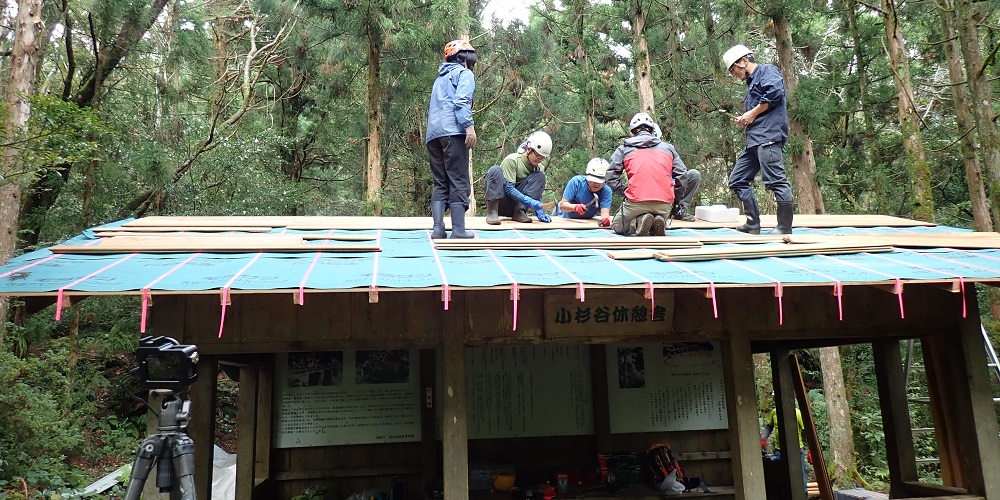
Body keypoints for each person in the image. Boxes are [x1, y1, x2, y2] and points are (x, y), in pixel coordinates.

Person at [722, 44, 794, 235]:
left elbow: (775, 93)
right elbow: (758, 112)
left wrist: (752, 113)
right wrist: (745, 119)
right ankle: (753, 223)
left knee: (776, 181)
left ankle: (784, 227)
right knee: (737, 179)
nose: (734, 74)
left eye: (734, 69)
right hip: (754, 141)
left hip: (769, 137)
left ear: (744, 61)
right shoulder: (750, 86)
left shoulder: (767, 71)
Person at [606, 112, 701, 236]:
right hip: (664, 204)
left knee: (617, 225)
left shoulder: (623, 149)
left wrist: (625, 191)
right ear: (652, 132)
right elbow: (682, 175)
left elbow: (610, 177)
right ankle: (658, 220)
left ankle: (640, 221)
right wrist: (676, 199)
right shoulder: (668, 148)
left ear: (631, 133)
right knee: (659, 214)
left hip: (637, 201)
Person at [426, 39, 479, 239]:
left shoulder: (439, 79)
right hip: (453, 133)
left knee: (440, 182)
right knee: (458, 179)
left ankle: (438, 229)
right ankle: (458, 230)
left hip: (433, 135)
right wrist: (469, 127)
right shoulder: (464, 74)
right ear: (464, 58)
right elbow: (461, 101)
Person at [484, 131, 553, 224]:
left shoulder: (539, 168)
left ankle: (519, 212)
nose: (539, 160)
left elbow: (537, 192)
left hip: (517, 206)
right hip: (501, 203)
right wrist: (528, 201)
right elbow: (509, 189)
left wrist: (540, 212)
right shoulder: (512, 160)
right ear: (529, 150)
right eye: (538, 156)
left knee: (540, 176)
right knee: (495, 170)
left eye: (543, 157)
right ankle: (492, 213)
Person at [556, 158, 613, 227]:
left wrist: (605, 220)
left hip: (586, 222)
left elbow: (605, 213)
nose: (597, 184)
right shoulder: (576, 182)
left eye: (600, 181)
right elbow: (562, 206)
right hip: (564, 219)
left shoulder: (606, 191)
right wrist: (575, 207)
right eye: (594, 180)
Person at [762, 406, 808, 491]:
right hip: (779, 451)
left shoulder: (797, 413)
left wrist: (810, 450)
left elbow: (806, 431)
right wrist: (763, 438)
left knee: (800, 475)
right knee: (782, 476)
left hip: (796, 450)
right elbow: (769, 427)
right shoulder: (774, 412)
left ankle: (803, 494)